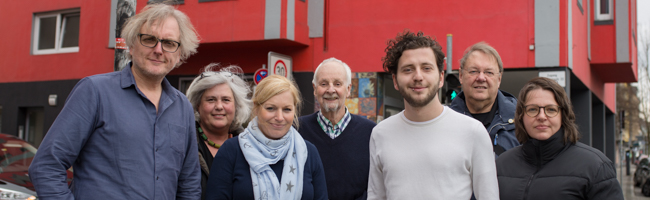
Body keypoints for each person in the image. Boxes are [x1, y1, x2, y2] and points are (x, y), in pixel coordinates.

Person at [28, 3, 201, 199]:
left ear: (179, 54)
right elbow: (46, 166)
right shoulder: (94, 92)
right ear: (132, 44)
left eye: (169, 43)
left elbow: (189, 183)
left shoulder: (182, 107)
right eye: (149, 39)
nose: (159, 50)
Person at [367, 30, 499, 200]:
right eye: (408, 70)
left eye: (427, 68)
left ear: (441, 77)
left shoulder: (473, 132)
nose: (418, 76)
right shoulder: (380, 133)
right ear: (395, 80)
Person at [496, 77, 623, 200]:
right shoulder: (502, 165)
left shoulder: (595, 167)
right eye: (533, 109)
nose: (541, 116)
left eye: (550, 109)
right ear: (521, 116)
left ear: (563, 115)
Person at [205, 75, 328, 200]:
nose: (279, 117)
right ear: (256, 108)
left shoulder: (308, 152)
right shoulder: (231, 151)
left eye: (287, 109)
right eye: (270, 108)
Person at [298, 58, 376, 200]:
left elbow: (376, 186)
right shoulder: (297, 130)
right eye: (324, 84)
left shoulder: (371, 132)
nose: (331, 89)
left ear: (348, 89)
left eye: (337, 84)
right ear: (315, 89)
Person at [185, 64, 252, 199]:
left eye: (226, 100)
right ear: (198, 105)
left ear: (236, 106)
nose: (219, 106)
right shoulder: (184, 143)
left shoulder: (250, 145)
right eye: (211, 100)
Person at [450, 42, 519, 157]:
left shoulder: (521, 122)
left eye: (489, 72)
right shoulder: (445, 123)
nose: (481, 78)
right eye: (473, 71)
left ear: (499, 79)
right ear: (461, 76)